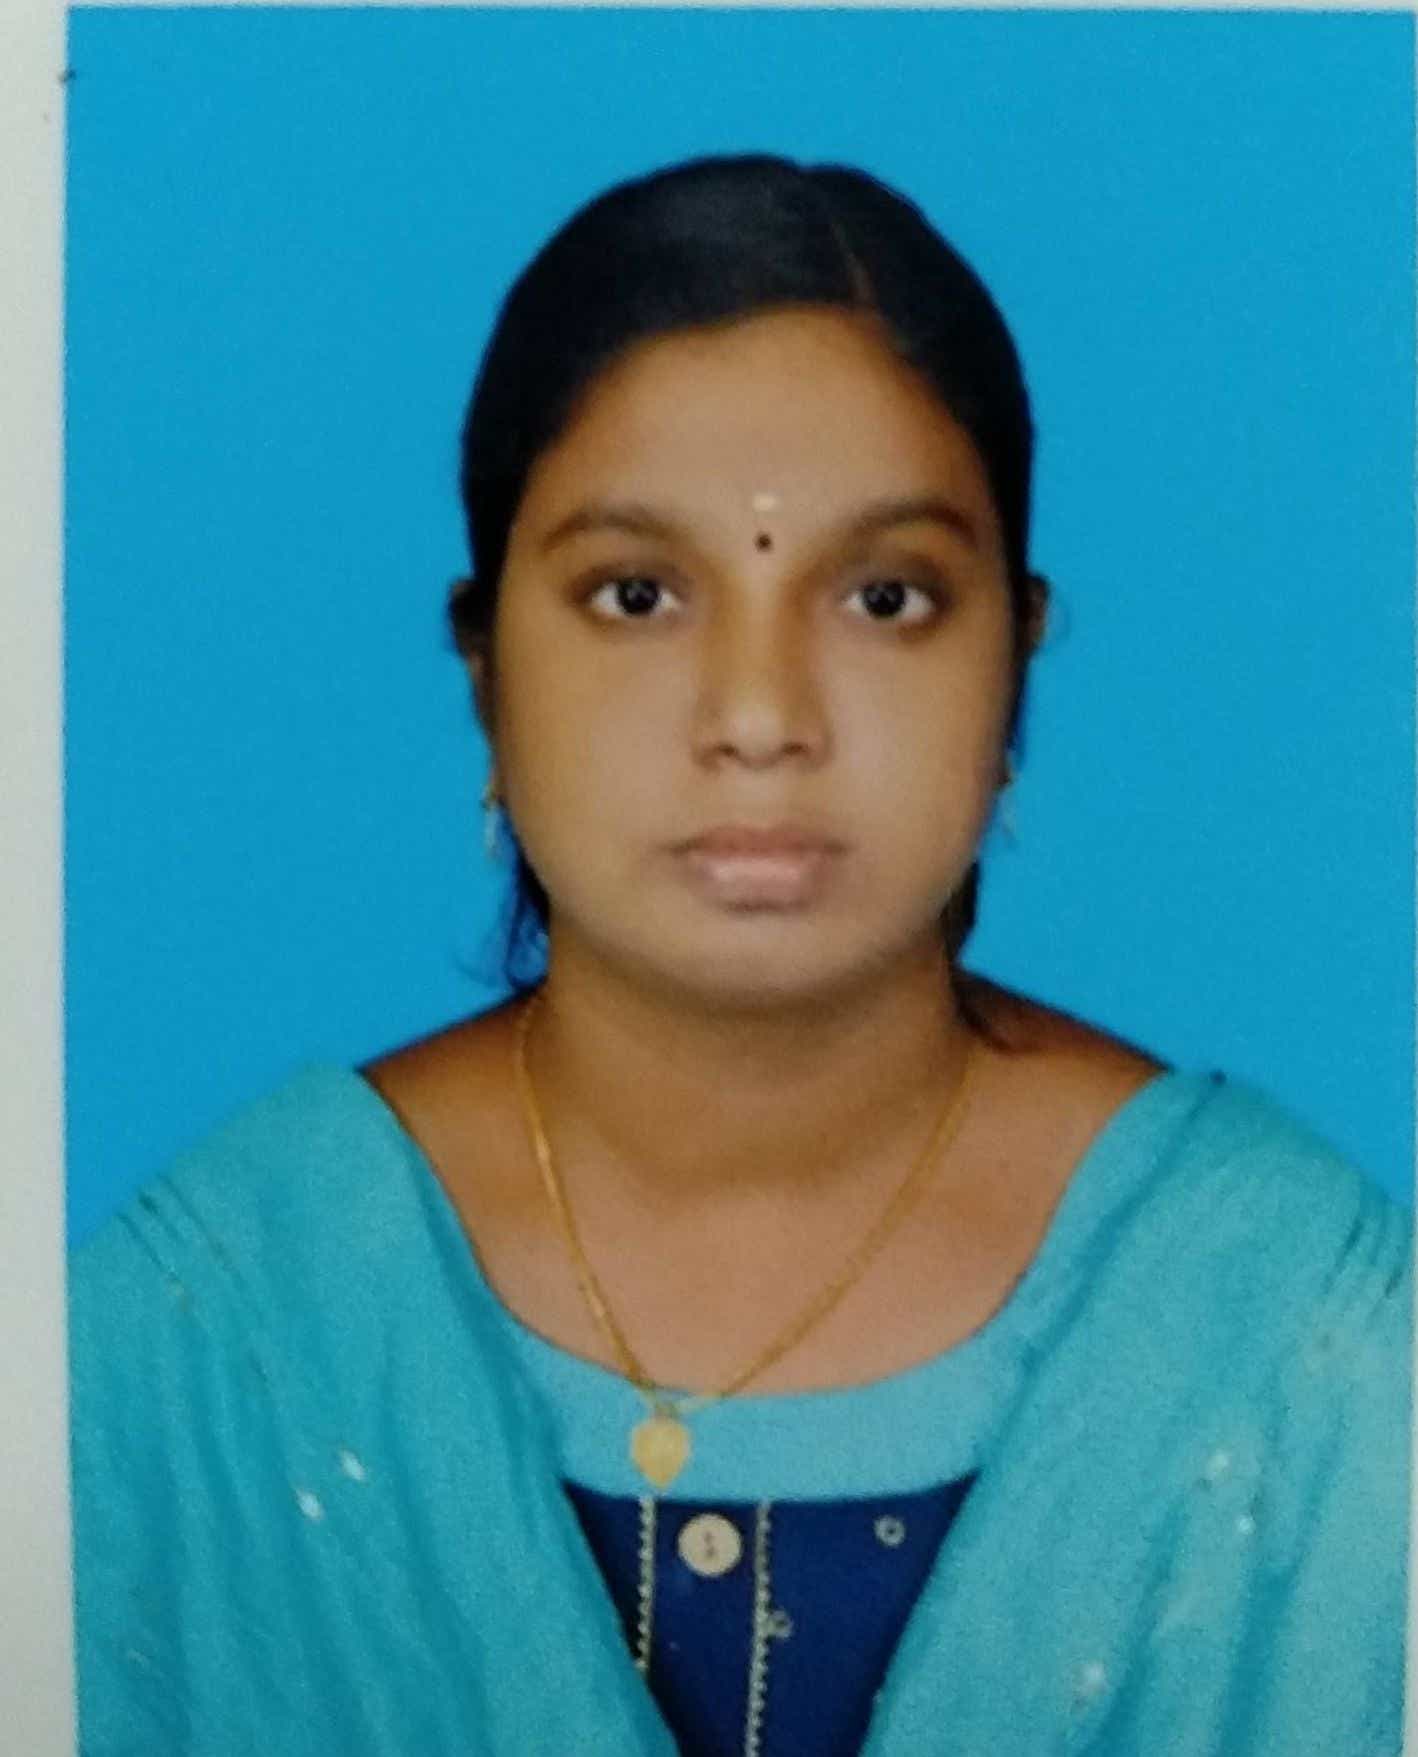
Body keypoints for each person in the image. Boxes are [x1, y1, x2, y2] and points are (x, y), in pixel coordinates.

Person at [68, 153, 1410, 1757]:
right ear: (486, 668)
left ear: (1015, 659)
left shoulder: (1308, 1346)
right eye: (637, 593)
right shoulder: (196, 1344)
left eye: (885, 596)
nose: (761, 717)